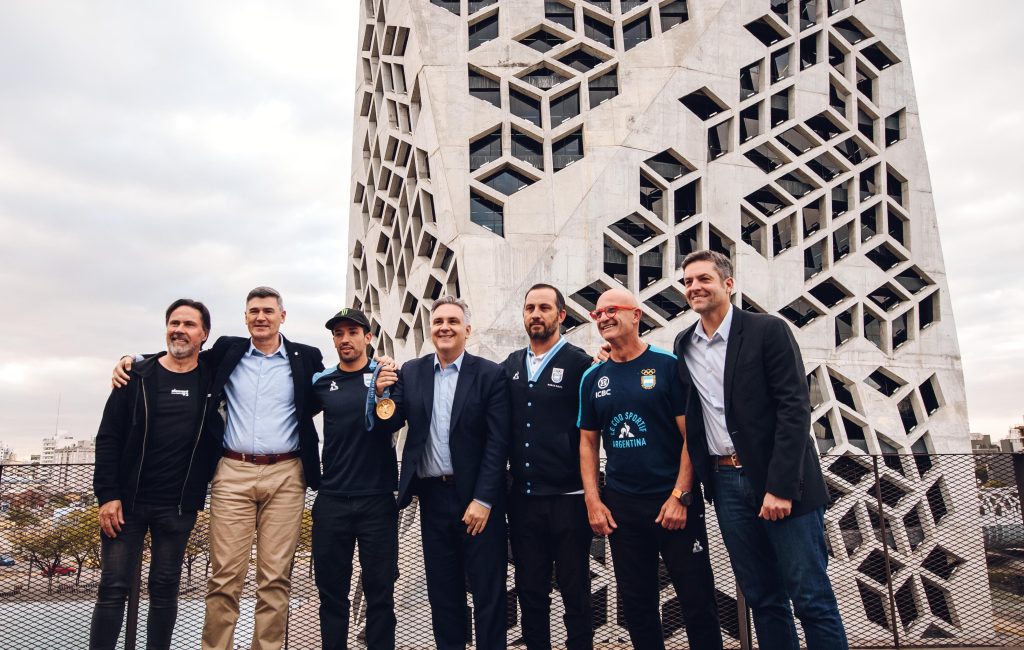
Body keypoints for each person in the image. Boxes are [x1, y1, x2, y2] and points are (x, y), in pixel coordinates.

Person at [114, 286, 325, 650]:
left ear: (282, 316)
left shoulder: (306, 357)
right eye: (253, 311)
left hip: (287, 475)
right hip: (232, 472)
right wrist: (131, 358)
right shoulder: (229, 350)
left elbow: (340, 378)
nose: (260, 317)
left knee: (275, 579)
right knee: (225, 577)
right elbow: (182, 354)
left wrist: (380, 366)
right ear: (245, 317)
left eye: (268, 311)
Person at [674, 250, 847, 650]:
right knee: (763, 599)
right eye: (687, 281)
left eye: (704, 279)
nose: (694, 287)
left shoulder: (768, 330)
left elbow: (794, 407)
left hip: (781, 483)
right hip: (725, 483)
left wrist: (781, 486)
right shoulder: (685, 345)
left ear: (727, 285)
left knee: (811, 598)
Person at [579, 288, 722, 650]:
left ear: (636, 315)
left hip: (673, 503)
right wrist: (594, 502)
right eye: (598, 314)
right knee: (638, 605)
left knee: (697, 601)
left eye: (612, 310)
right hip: (623, 507)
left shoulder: (667, 365)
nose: (604, 318)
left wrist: (680, 496)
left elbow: (691, 436)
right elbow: (588, 444)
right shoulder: (593, 378)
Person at [374, 295, 510, 650]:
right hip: (433, 499)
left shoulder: (490, 374)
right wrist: (380, 393)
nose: (444, 327)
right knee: (443, 595)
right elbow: (391, 420)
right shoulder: (413, 372)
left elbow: (499, 444)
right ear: (431, 329)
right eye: (438, 322)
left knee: (488, 595)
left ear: (467, 328)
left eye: (452, 321)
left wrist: (483, 499)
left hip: (479, 503)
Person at [91, 298, 223, 650]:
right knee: (112, 588)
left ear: (204, 335)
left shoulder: (211, 379)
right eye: (174, 323)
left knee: (165, 590)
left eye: (189, 324)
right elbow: (107, 438)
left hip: (178, 507)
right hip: (126, 505)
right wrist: (107, 495)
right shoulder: (136, 376)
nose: (179, 330)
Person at [500, 284, 593, 650]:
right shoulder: (508, 366)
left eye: (544, 308)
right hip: (523, 501)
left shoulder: (581, 364)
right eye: (529, 308)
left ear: (561, 315)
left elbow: (592, 431)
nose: (535, 314)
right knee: (530, 592)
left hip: (570, 500)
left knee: (576, 593)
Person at [310, 308, 403, 650]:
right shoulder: (321, 382)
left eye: (352, 331)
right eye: (338, 333)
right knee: (331, 594)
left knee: (381, 594)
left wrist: (380, 392)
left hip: (377, 500)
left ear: (367, 336)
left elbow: (392, 423)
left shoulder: (388, 375)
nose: (344, 338)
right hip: (332, 499)